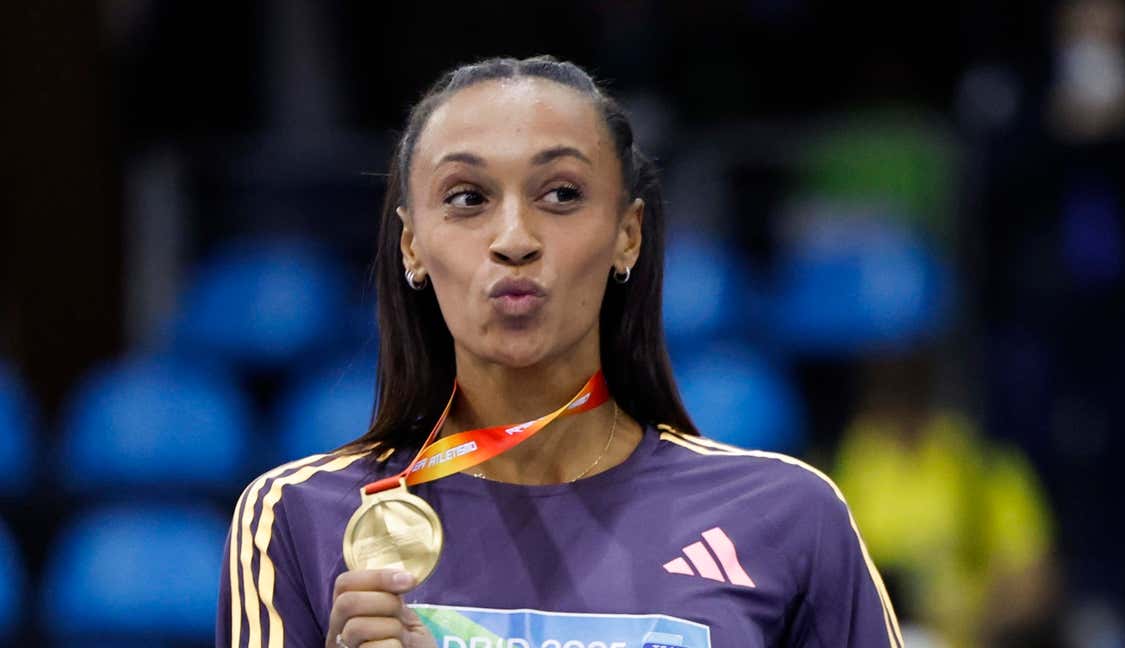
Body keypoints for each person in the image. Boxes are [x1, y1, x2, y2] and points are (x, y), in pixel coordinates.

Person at [217, 55, 902, 648]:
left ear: (628, 234)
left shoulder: (787, 514)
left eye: (562, 194)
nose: (514, 238)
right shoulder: (299, 519)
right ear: (412, 246)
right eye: (466, 197)